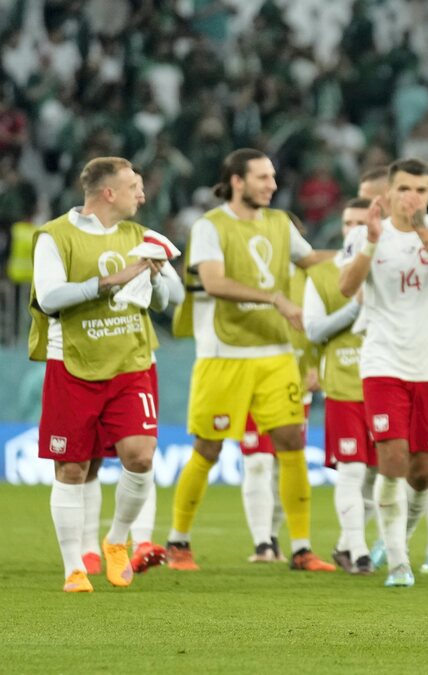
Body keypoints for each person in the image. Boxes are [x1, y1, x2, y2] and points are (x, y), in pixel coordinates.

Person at [166, 148, 336, 572]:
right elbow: (214, 282)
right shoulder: (210, 226)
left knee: (292, 444)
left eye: (273, 177)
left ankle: (301, 548)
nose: (272, 185)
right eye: (263, 177)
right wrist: (274, 297)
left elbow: (311, 259)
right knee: (208, 447)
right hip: (224, 355)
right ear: (237, 181)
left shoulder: (279, 223)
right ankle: (178, 542)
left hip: (275, 355)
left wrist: (363, 253)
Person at [31, 156, 175, 591]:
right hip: (73, 364)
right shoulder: (54, 236)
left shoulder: (141, 237)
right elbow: (50, 298)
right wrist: (112, 280)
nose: (142, 195)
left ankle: (116, 540)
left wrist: (153, 278)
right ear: (108, 193)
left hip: (132, 363)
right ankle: (74, 567)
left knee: (141, 458)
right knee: (73, 469)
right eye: (134, 187)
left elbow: (171, 298)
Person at [339, 158, 428, 587]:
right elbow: (346, 287)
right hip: (384, 361)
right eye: (404, 189)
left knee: (422, 472)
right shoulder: (364, 234)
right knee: (393, 458)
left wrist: (423, 231)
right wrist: (370, 243)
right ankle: (398, 561)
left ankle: (400, 537)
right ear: (388, 193)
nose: (413, 197)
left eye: (421, 190)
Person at [239, 212, 322, 564]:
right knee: (257, 461)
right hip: (253, 378)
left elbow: (323, 321)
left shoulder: (311, 277)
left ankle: (273, 536)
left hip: (296, 381)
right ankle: (262, 543)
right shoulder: (249, 272)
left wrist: (317, 363)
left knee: (282, 463)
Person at [305, 198, 375, 574]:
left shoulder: (389, 269)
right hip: (344, 386)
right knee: (352, 470)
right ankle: (359, 552)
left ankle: (347, 544)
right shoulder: (321, 276)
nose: (354, 229)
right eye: (349, 223)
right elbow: (314, 330)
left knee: (381, 477)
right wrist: (355, 307)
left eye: (363, 223)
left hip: (386, 383)